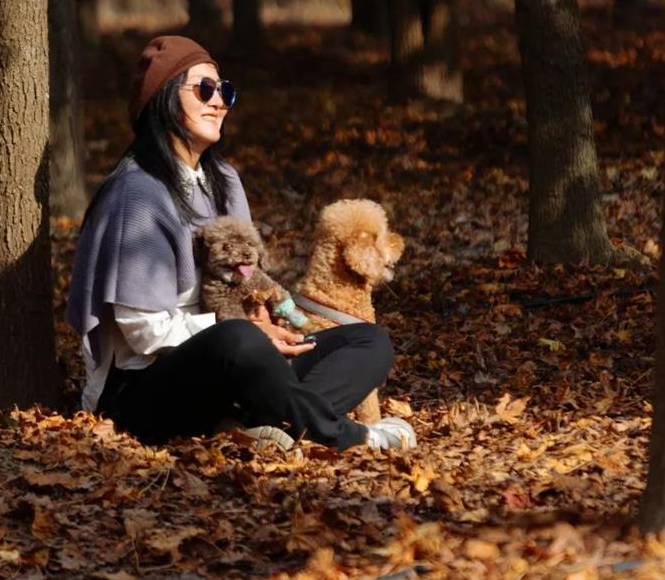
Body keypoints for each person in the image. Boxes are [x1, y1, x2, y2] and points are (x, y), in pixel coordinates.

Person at [66, 35, 416, 452]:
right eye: (205, 90)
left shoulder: (224, 181)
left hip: (235, 364)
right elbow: (143, 334)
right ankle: (348, 435)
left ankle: (267, 426)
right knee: (238, 338)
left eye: (225, 90)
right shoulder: (137, 194)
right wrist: (239, 330)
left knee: (367, 340)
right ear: (160, 100)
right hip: (148, 389)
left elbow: (250, 287)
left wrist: (266, 327)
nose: (220, 102)